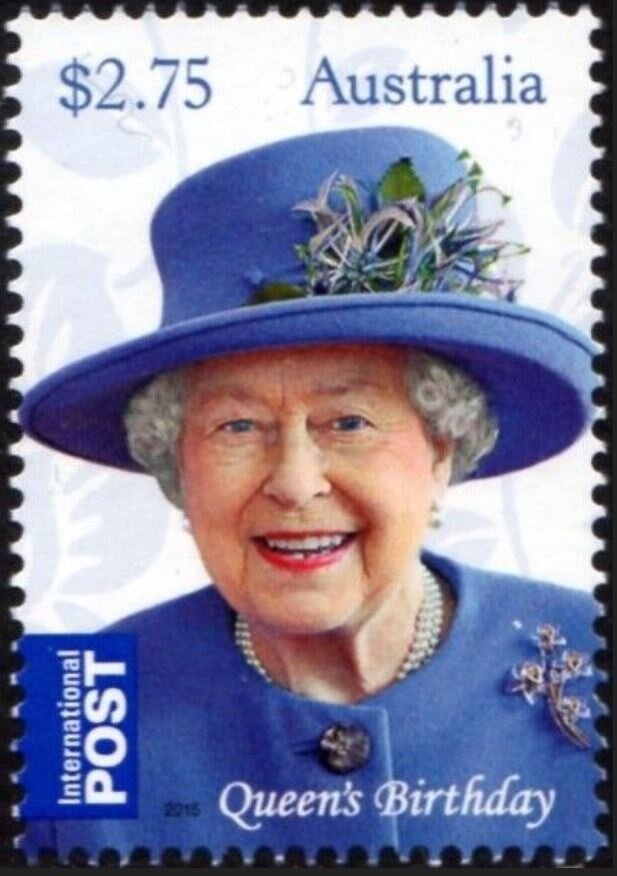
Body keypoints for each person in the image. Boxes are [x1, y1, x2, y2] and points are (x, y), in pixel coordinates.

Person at [20, 127, 602, 861]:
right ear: (176, 464)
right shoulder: (75, 706)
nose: (294, 484)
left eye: (348, 421)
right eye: (237, 425)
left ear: (440, 450)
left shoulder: (592, 656)